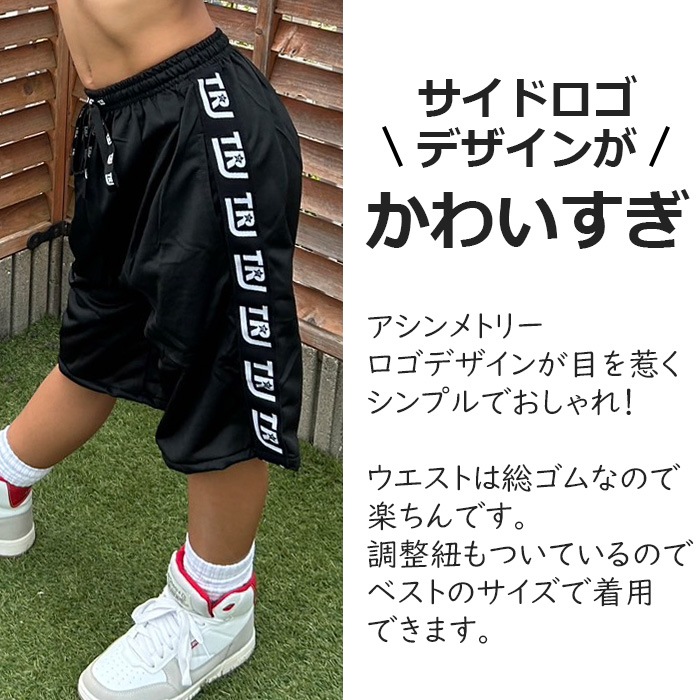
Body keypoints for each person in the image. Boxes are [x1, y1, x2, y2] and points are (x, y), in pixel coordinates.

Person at [0, 1, 303, 698]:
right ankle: (7, 478)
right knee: (99, 338)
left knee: (222, 384)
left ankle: (217, 607)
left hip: (204, 124)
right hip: (120, 123)